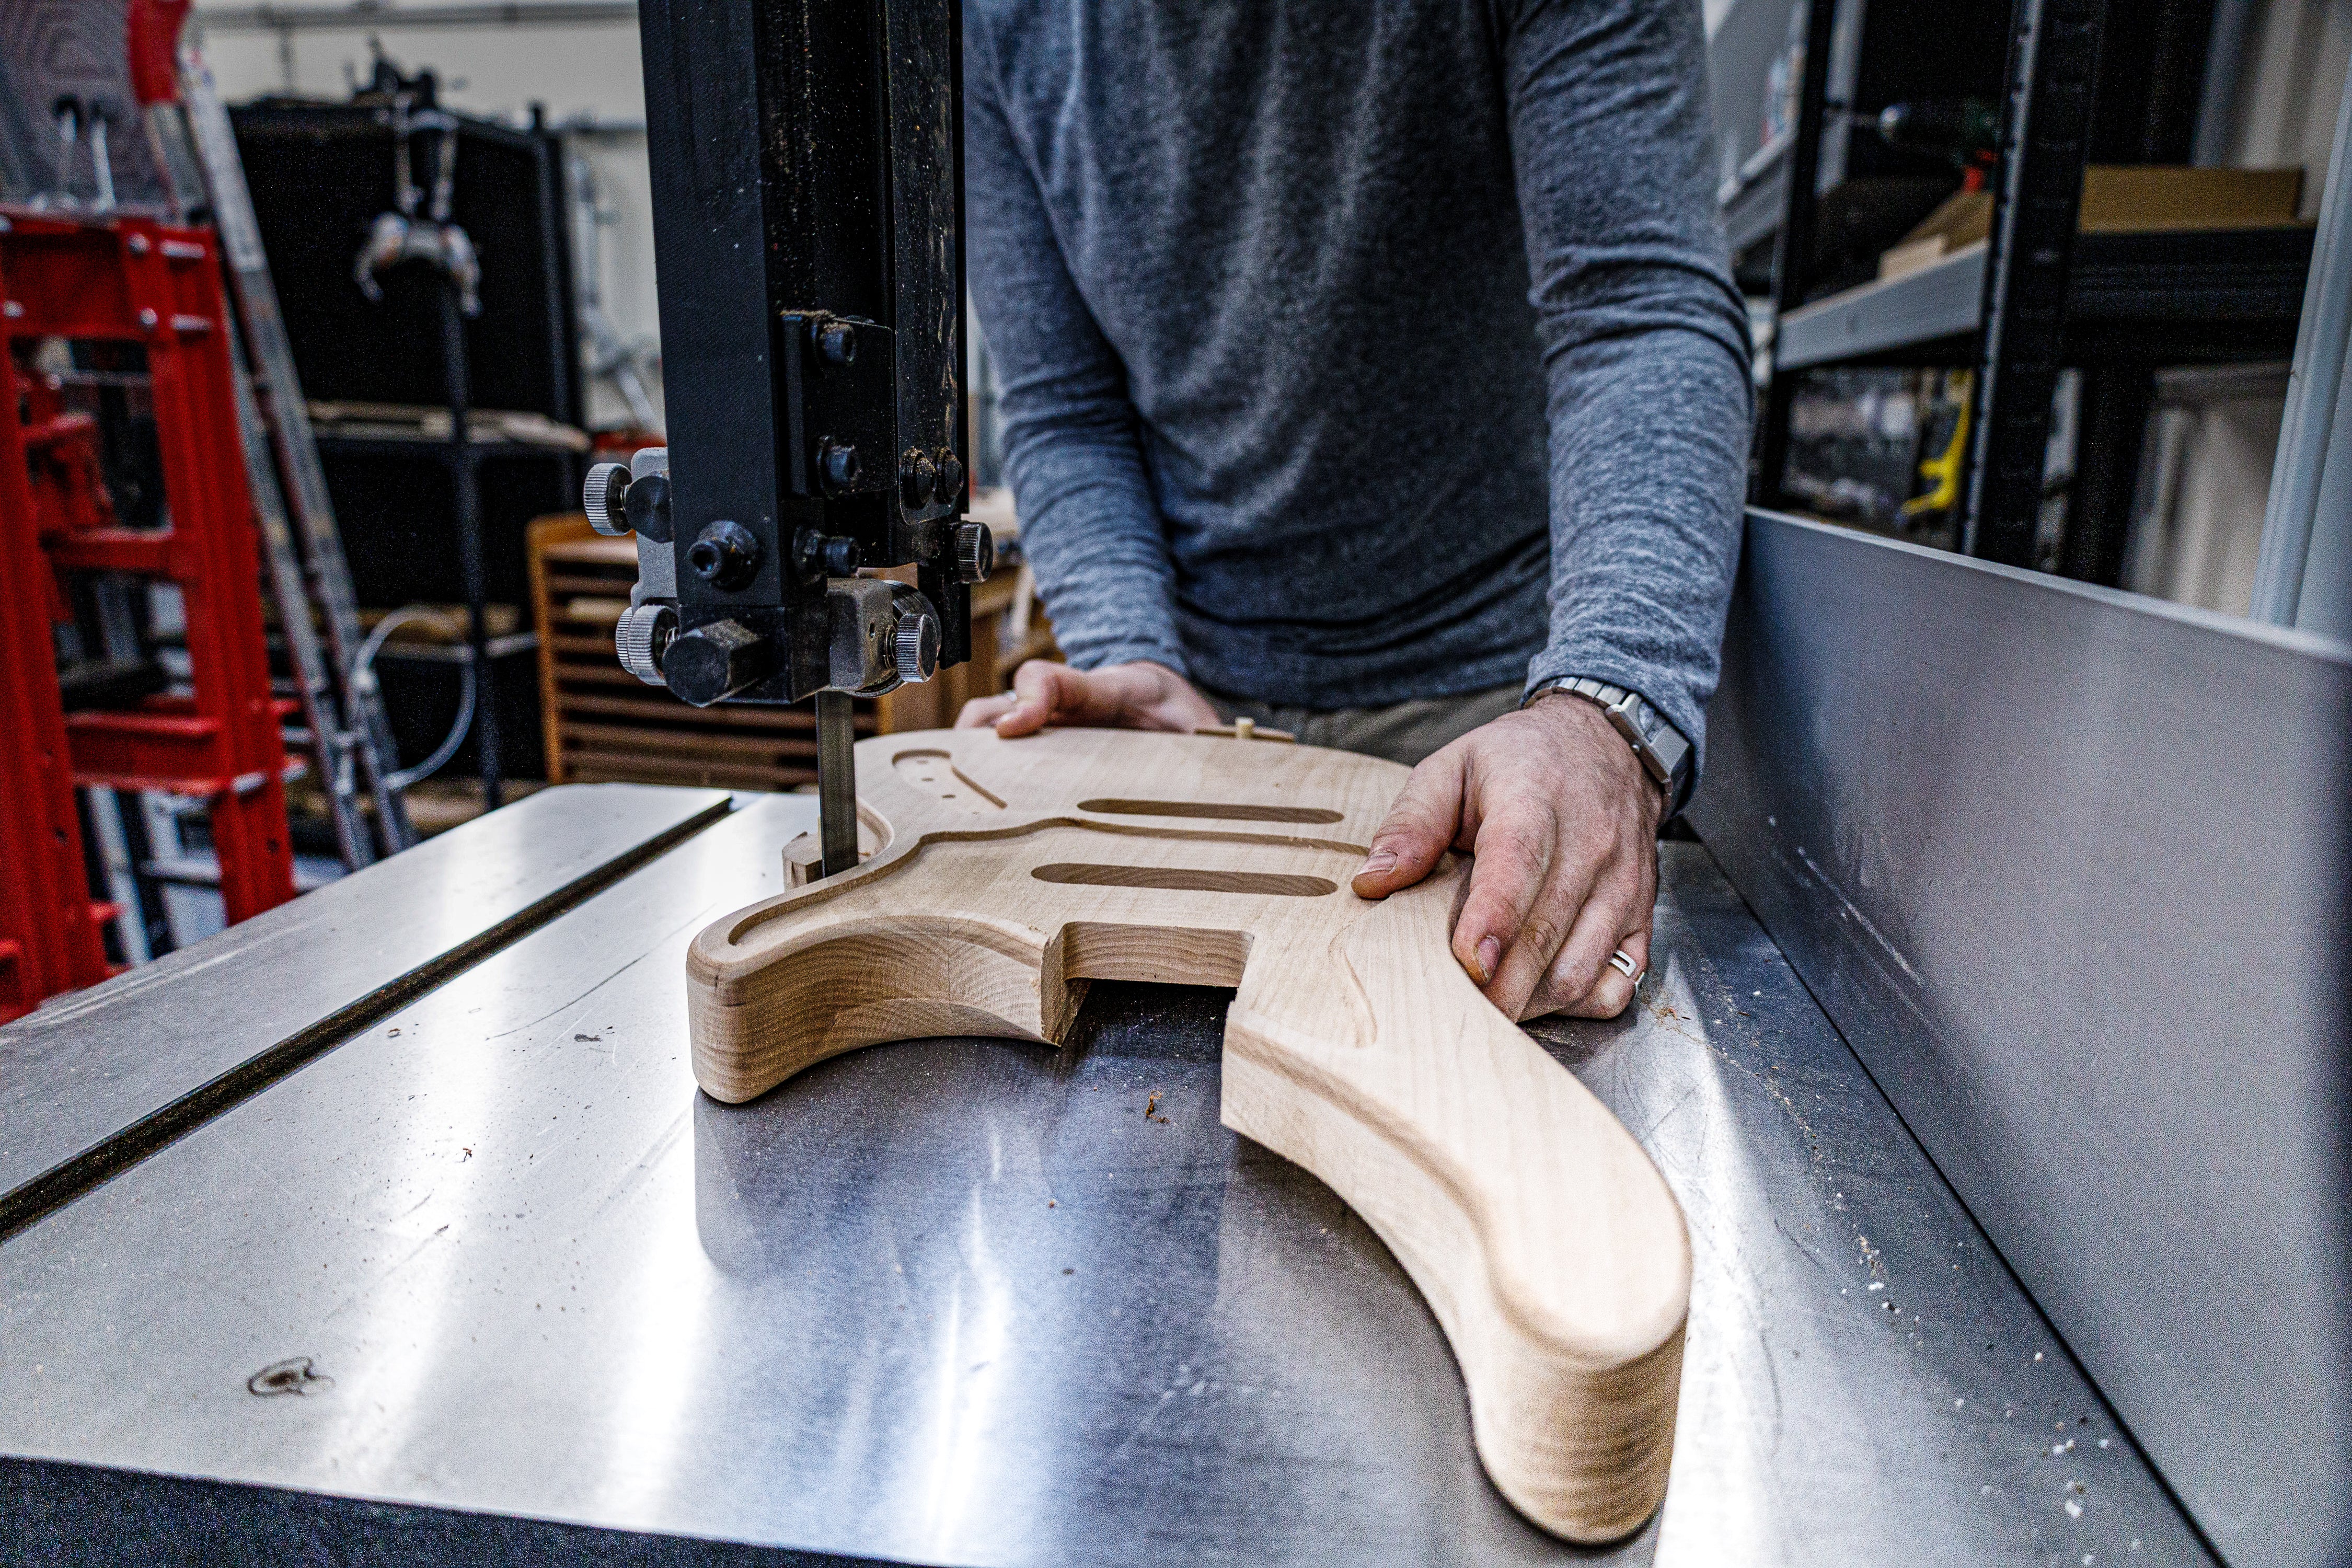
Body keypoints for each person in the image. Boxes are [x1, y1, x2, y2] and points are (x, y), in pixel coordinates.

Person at [955, 0, 1751, 1021]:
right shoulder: (993, 24)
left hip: (1500, 724)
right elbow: (1067, 405)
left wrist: (1606, 708)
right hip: (1192, 714)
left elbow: (1636, 311)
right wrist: (1128, 652)